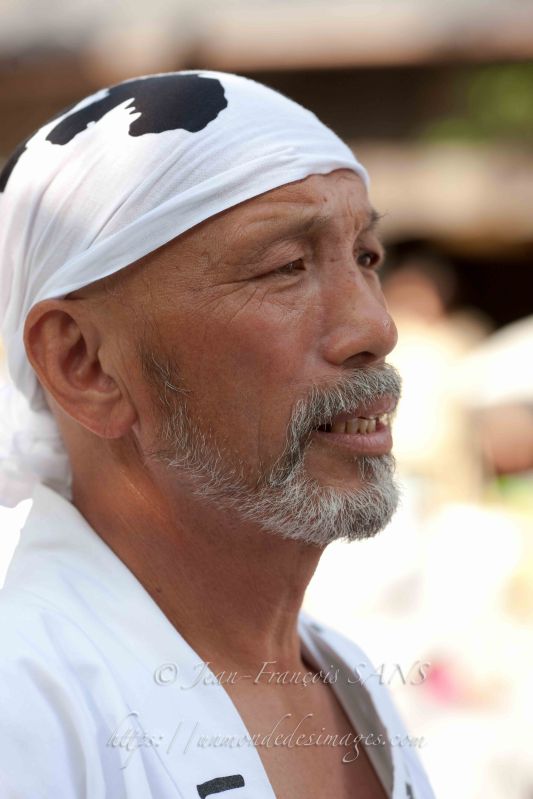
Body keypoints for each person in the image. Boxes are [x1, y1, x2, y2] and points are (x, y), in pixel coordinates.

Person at [0, 71, 434, 798]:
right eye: (286, 267)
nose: (376, 328)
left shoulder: (346, 673)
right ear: (86, 365)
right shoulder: (25, 703)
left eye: (365, 257)